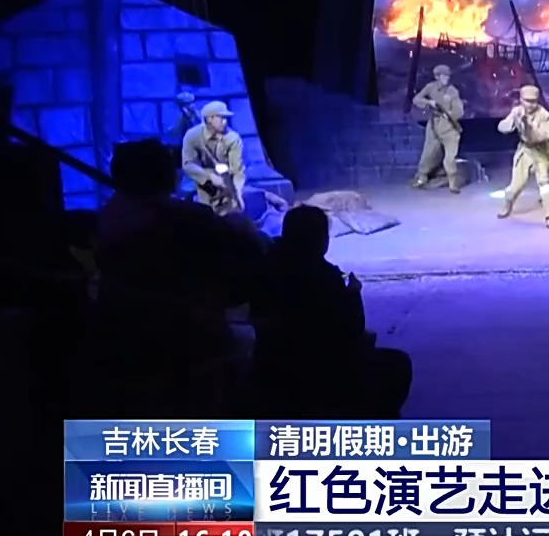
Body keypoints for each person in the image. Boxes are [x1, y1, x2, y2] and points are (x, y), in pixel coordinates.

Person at [93, 138, 263, 417]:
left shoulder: (110, 217)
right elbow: (245, 267)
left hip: (128, 343)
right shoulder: (184, 220)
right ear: (163, 175)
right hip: (188, 343)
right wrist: (240, 228)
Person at [252, 205, 413, 418]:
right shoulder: (323, 277)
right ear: (321, 241)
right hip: (318, 369)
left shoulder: (266, 267)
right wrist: (353, 293)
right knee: (397, 364)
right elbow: (352, 331)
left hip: (272, 368)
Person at [496, 85, 549, 228]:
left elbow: (545, 135)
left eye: (533, 101)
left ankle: (548, 215)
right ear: (521, 100)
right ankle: (507, 206)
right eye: (527, 101)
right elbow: (502, 127)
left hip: (540, 151)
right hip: (525, 151)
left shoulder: (544, 115)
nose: (530, 105)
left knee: (544, 183)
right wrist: (513, 121)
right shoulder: (517, 111)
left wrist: (529, 127)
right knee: (516, 185)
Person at [181, 100, 246, 216]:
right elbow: (188, 164)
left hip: (227, 181)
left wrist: (238, 192)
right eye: (221, 118)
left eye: (226, 118)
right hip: (201, 181)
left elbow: (237, 170)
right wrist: (209, 177)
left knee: (232, 212)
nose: (225, 122)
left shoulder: (233, 138)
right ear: (209, 119)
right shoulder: (193, 136)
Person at [411, 64, 465, 193]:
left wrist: (450, 114)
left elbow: (459, 111)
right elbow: (416, 99)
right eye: (443, 76)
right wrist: (429, 103)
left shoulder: (452, 91)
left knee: (450, 159)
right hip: (434, 126)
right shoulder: (431, 87)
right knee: (428, 153)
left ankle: (453, 184)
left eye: (447, 76)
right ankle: (421, 177)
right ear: (437, 77)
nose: (446, 78)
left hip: (450, 128)